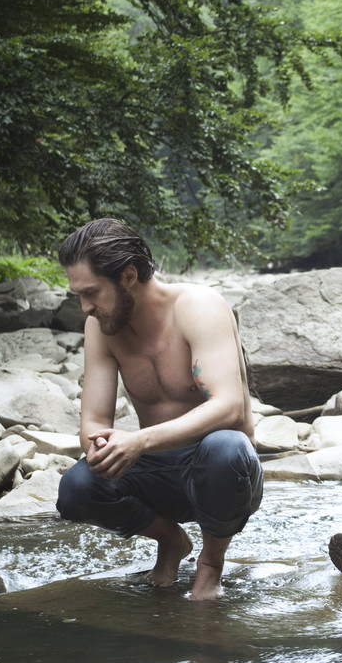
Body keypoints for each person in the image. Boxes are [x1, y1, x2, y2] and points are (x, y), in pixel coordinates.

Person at [55, 218, 263, 600]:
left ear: (129, 276)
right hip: (156, 472)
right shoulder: (101, 327)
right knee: (77, 487)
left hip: (219, 471)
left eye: (92, 293)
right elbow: (94, 422)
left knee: (226, 448)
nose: (85, 307)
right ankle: (171, 541)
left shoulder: (199, 307)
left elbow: (230, 408)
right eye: (79, 296)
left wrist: (138, 441)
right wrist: (100, 445)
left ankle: (210, 565)